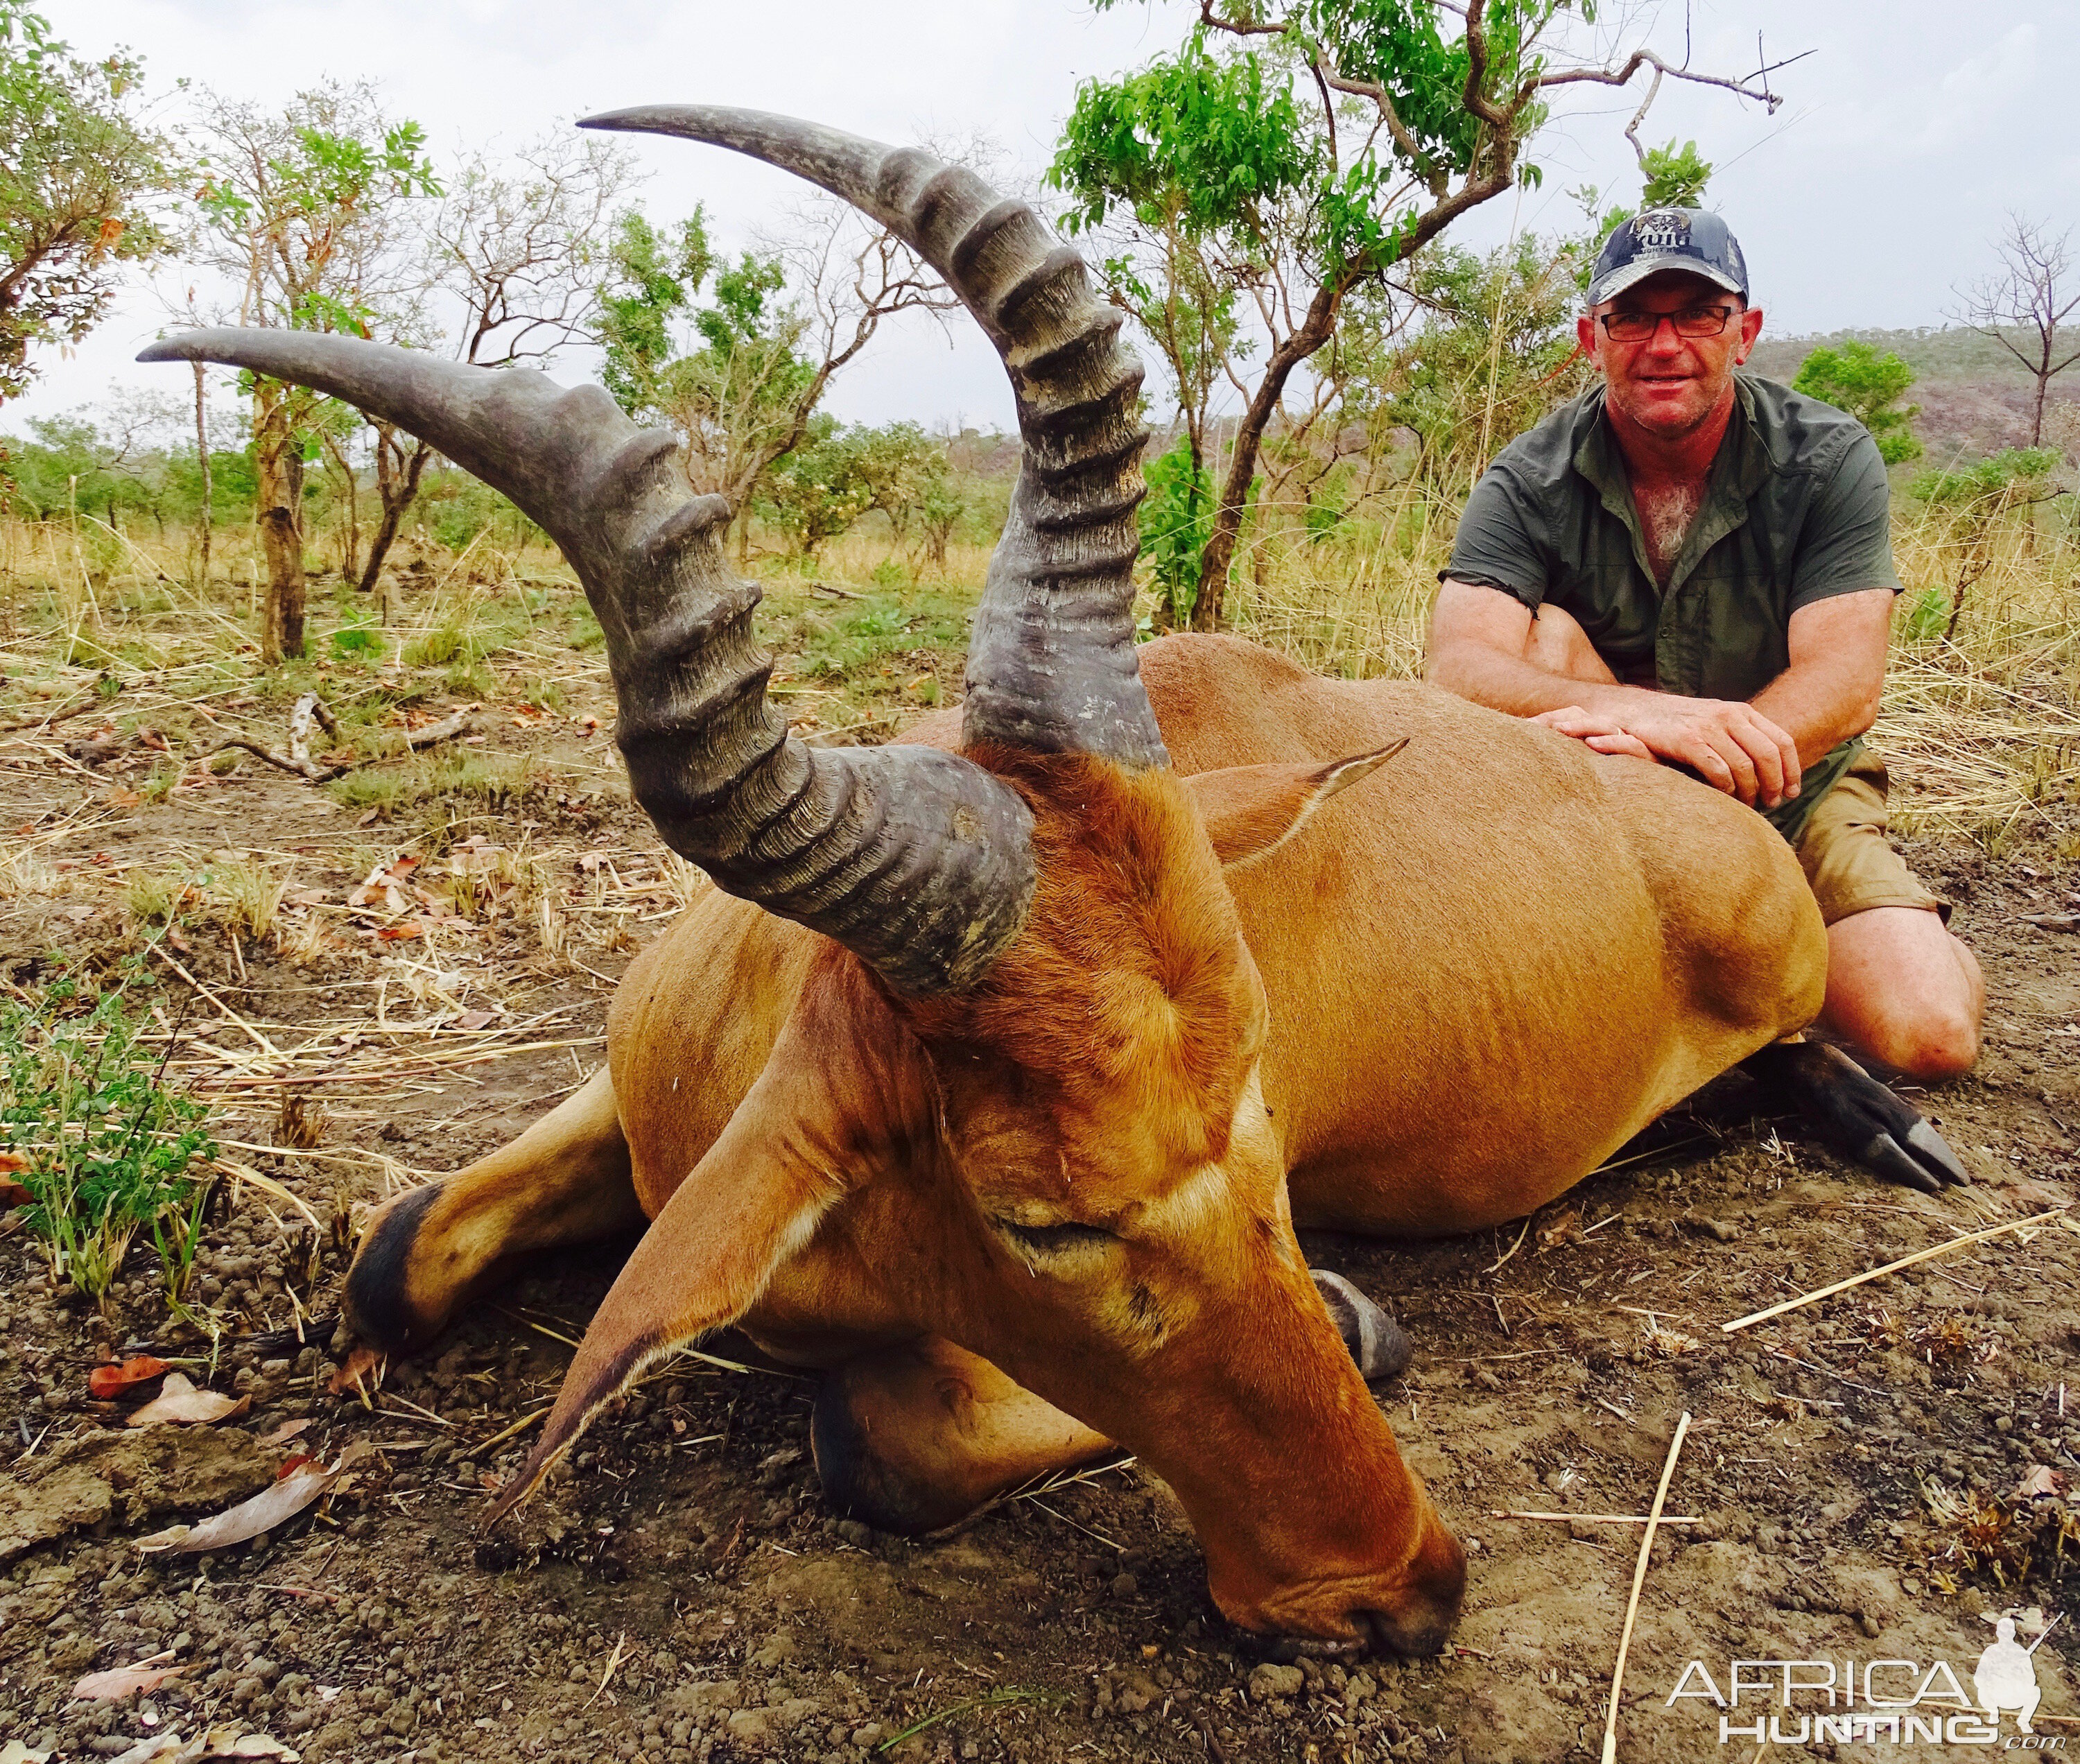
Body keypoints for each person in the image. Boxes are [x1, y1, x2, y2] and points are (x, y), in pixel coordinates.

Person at [1425, 207, 1982, 1081]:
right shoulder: (1526, 476)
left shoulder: (1829, 458)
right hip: (1605, 799)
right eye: (1635, 317)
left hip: (1786, 786)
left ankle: (1844, 935)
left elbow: (1846, 683)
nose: (1665, 343)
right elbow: (1458, 665)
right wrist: (1642, 719)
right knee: (1544, 635)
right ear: (1591, 337)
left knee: (1930, 1035)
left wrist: (1702, 775)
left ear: (1745, 333)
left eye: (1697, 313)